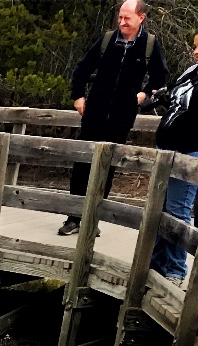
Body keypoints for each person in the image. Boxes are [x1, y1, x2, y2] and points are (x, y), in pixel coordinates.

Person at [65, 0, 168, 235]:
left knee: (108, 168)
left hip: (121, 118)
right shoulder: (107, 40)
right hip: (94, 114)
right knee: (82, 164)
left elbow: (160, 78)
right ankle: (73, 217)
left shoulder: (149, 45)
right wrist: (78, 97)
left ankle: (93, 220)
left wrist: (141, 96)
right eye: (119, 17)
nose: (121, 22)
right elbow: (81, 68)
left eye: (127, 18)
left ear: (141, 17)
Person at [153, 30, 198, 279]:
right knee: (159, 208)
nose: (196, 51)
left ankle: (175, 270)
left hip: (188, 153)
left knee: (177, 211)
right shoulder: (190, 72)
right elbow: (175, 97)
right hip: (166, 150)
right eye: (194, 46)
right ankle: (156, 263)